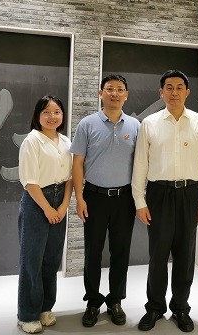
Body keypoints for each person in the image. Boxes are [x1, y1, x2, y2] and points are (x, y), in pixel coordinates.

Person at [131, 70, 198, 333]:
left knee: (185, 255)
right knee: (158, 255)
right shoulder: (149, 124)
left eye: (179, 87)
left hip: (190, 194)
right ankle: (155, 307)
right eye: (169, 87)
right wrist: (140, 201)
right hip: (159, 194)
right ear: (161, 92)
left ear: (187, 92)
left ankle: (180, 308)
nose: (174, 92)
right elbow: (140, 164)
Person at [70, 74, 140, 328]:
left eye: (120, 89)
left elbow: (141, 164)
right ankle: (92, 301)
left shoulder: (135, 125)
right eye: (109, 89)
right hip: (94, 197)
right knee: (93, 252)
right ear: (101, 93)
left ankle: (115, 301)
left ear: (126, 95)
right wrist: (79, 198)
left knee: (121, 252)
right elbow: (77, 162)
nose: (114, 94)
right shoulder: (87, 124)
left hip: (125, 199)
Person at [17, 95, 73, 334]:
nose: (52, 117)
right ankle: (27, 315)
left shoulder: (66, 141)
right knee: (32, 260)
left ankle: (45, 308)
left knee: (51, 259)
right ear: (38, 115)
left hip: (60, 200)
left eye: (57, 112)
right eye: (46, 112)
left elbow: (70, 178)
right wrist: (48, 209)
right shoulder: (32, 141)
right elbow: (29, 181)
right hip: (37, 201)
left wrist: (63, 207)